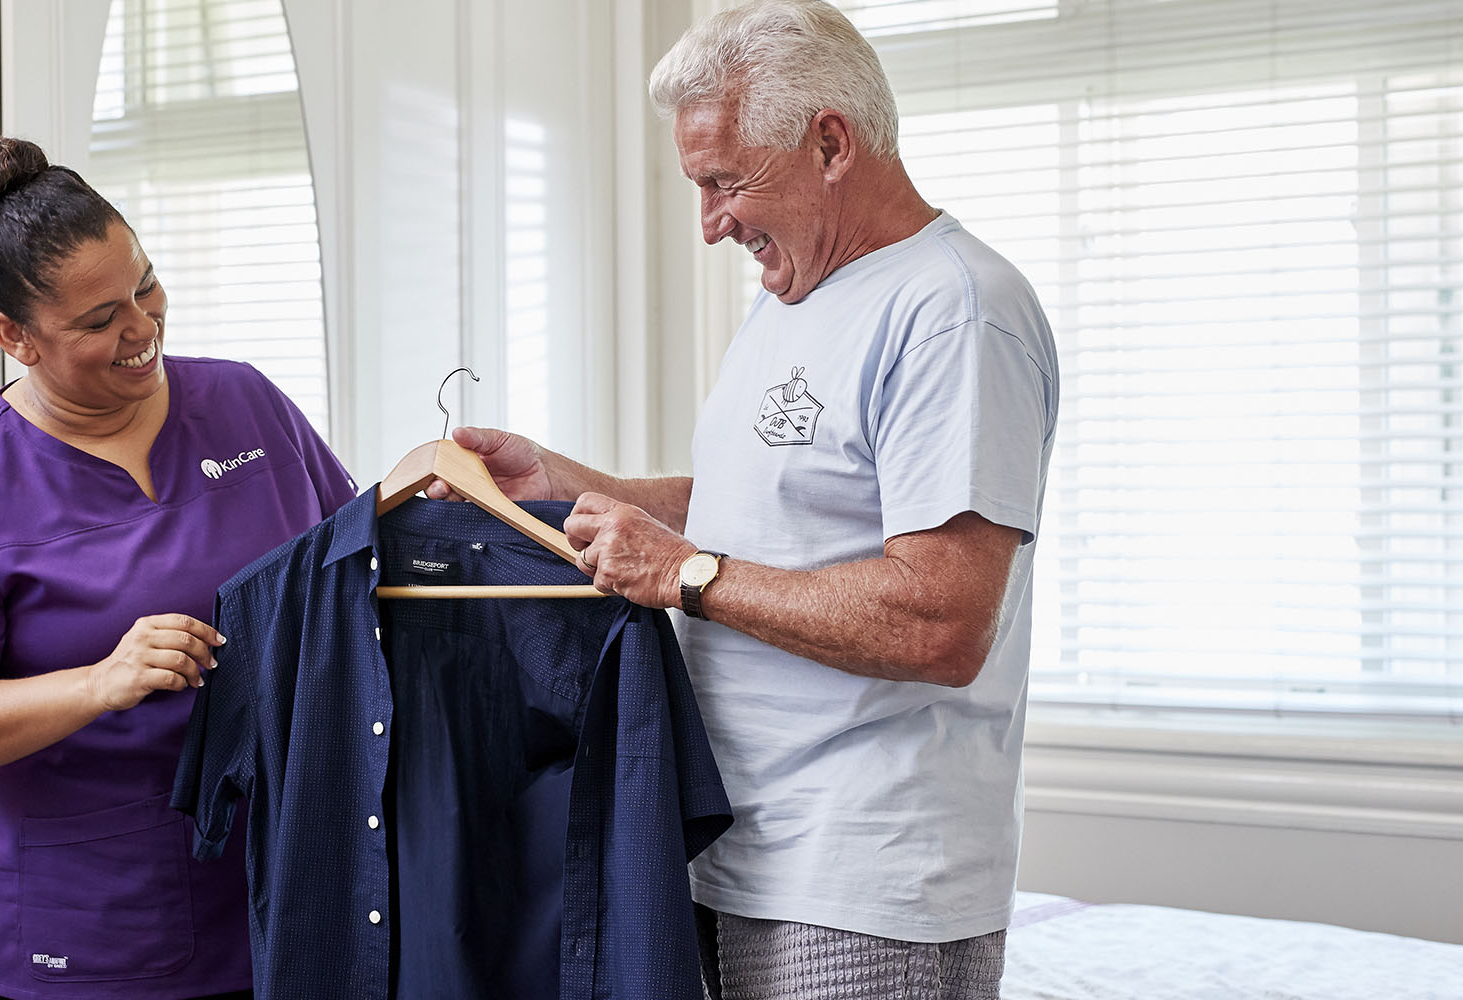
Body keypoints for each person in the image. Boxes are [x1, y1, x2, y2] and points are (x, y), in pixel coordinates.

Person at [431, 2, 1057, 996]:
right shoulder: (788, 300)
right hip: (734, 849)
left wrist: (679, 574)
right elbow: (761, 506)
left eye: (724, 182)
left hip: (863, 877)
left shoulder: (953, 311)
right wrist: (568, 484)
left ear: (828, 142)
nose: (711, 222)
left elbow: (941, 619)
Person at [0, 137, 357, 1000]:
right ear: (15, 337)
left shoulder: (247, 403)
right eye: (98, 321)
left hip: (284, 897)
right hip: (87, 930)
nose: (143, 328)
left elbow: (351, 575)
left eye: (146, 284)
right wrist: (100, 682)